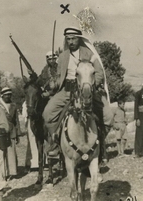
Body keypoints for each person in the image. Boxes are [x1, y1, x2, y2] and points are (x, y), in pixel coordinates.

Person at [42, 27, 113, 159]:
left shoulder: (90, 54)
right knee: (47, 113)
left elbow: (99, 73)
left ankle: (100, 145)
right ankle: (57, 143)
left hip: (87, 89)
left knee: (108, 116)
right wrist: (54, 84)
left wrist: (93, 85)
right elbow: (59, 77)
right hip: (67, 90)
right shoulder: (62, 57)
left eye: (74, 38)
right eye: (68, 39)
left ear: (79, 39)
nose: (71, 41)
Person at [0, 87, 19, 179]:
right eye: (6, 94)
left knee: (11, 152)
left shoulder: (14, 105)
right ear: (2, 95)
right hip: (1, 131)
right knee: (2, 152)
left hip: (11, 130)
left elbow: (16, 120)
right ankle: (3, 172)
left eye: (9, 94)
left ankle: (12, 172)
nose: (8, 96)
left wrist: (18, 133)